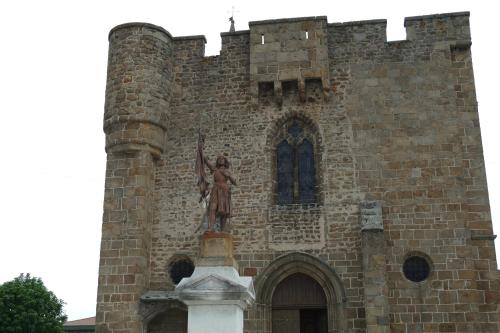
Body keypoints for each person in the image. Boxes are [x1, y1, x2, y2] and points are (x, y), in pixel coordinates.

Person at [203, 154, 237, 232]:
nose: (221, 159)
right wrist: (201, 149)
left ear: (225, 161)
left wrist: (229, 176)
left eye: (223, 159)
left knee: (224, 211)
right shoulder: (215, 169)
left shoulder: (227, 171)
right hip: (216, 190)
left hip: (224, 191)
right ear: (217, 161)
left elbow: (235, 182)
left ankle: (223, 230)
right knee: (212, 208)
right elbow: (206, 161)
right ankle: (210, 227)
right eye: (219, 158)